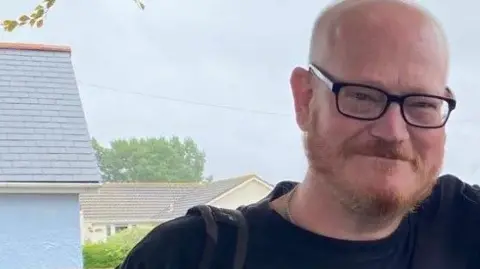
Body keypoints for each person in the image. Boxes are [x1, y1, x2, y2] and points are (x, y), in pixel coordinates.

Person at [119, 0, 480, 268]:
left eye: (421, 104)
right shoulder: (186, 257)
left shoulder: (466, 226)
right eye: (361, 96)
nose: (393, 131)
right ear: (305, 99)